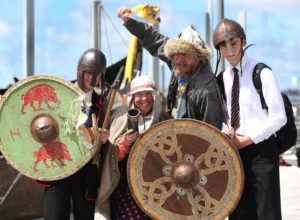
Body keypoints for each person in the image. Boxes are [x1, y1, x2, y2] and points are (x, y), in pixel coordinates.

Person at [213, 18, 287, 220]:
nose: (229, 50)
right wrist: (226, 130)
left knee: (267, 213)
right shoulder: (221, 79)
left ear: (244, 42)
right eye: (223, 45)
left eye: (233, 43)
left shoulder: (262, 73)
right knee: (238, 212)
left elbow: (279, 117)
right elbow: (225, 114)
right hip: (234, 152)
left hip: (262, 152)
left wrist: (247, 139)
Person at [116, 6, 224, 130]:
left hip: (193, 144)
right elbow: (153, 39)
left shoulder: (207, 92)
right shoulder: (178, 62)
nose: (179, 58)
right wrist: (130, 21)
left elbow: (212, 136)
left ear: (198, 57)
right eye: (176, 52)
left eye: (186, 53)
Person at [40, 48, 110, 220]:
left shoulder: (103, 104)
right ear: (80, 71)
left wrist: (104, 139)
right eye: (88, 73)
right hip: (60, 166)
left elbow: (103, 145)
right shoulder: (60, 95)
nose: (91, 78)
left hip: (86, 173)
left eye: (97, 74)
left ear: (102, 76)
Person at [96, 75, 170, 219]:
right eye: (140, 95)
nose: (144, 99)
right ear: (133, 97)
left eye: (148, 94)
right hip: (125, 184)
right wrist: (125, 143)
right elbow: (110, 156)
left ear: (154, 96)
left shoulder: (164, 119)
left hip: (156, 184)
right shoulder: (120, 118)